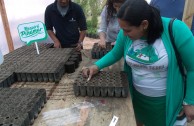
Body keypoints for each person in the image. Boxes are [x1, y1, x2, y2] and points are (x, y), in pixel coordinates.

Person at [82, 0, 194, 125]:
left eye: (128, 30)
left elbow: (192, 68)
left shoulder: (175, 30)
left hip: (166, 102)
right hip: (138, 99)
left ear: (144, 24)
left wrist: (189, 101)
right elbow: (115, 53)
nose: (123, 34)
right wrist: (96, 66)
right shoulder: (125, 34)